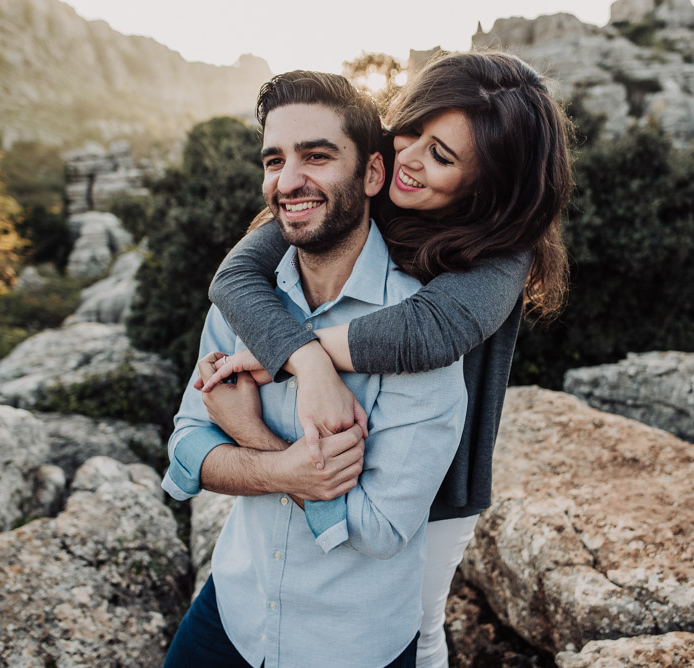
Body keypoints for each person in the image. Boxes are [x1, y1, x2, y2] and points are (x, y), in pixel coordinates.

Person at [200, 50, 573, 668]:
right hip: (329, 439)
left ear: (490, 181)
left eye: (443, 156)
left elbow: (428, 331)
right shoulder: (364, 179)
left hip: (432, 486)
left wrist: (294, 357)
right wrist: (306, 366)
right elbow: (236, 277)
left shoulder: (504, 247)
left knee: (415, 629)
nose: (411, 158)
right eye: (413, 129)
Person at [161, 70, 468, 667]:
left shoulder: (418, 333)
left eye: (317, 156)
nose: (289, 181)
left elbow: (378, 529)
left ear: (373, 173)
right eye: (274, 161)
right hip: (231, 613)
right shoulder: (245, 298)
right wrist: (292, 468)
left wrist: (252, 439)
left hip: (352, 645)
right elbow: (187, 446)